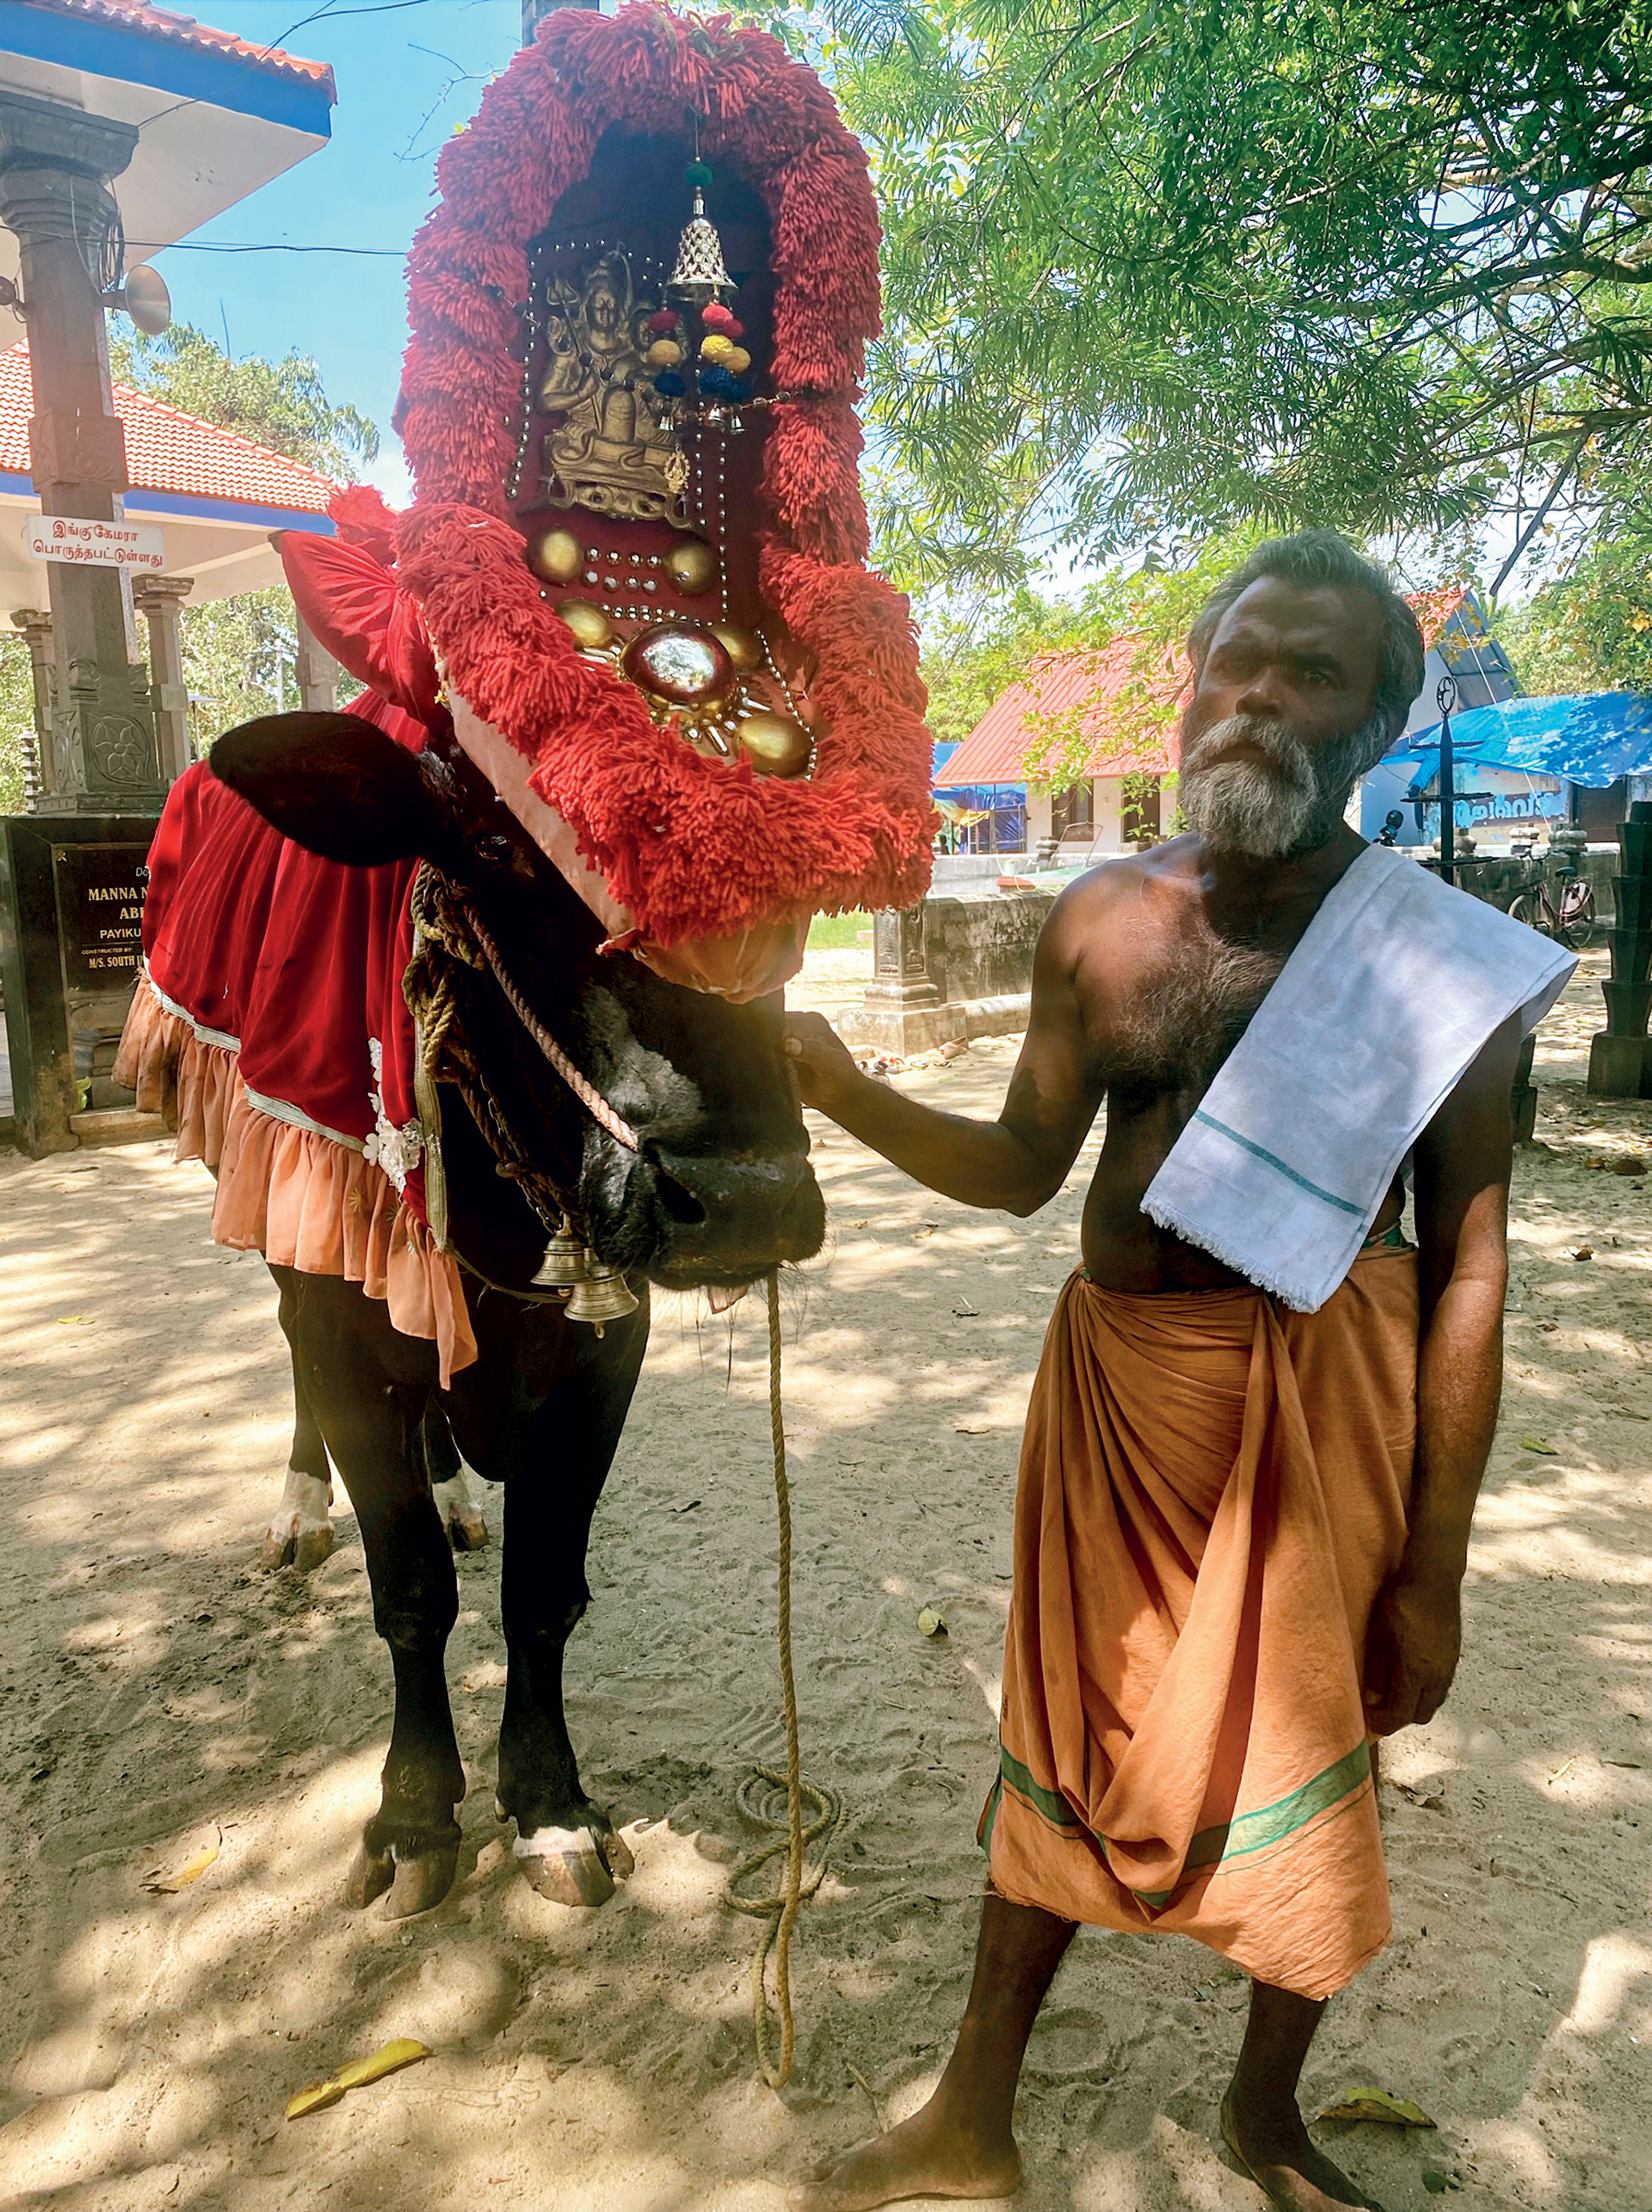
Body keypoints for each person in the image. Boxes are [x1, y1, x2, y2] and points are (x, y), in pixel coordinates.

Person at [783, 533, 1550, 2212]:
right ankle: (971, 2113)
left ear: (1376, 721)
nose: (1261, 694)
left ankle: (1265, 2118)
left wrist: (1438, 1565)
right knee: (1061, 1725)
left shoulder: (1444, 964)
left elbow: (1472, 1261)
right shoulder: (1102, 917)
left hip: (1325, 1412)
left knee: (1303, 1752)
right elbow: (1013, 1165)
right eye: (1239, 658)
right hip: (1115, 1394)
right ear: (1190, 678)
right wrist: (833, 1085)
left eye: (1316, 672)